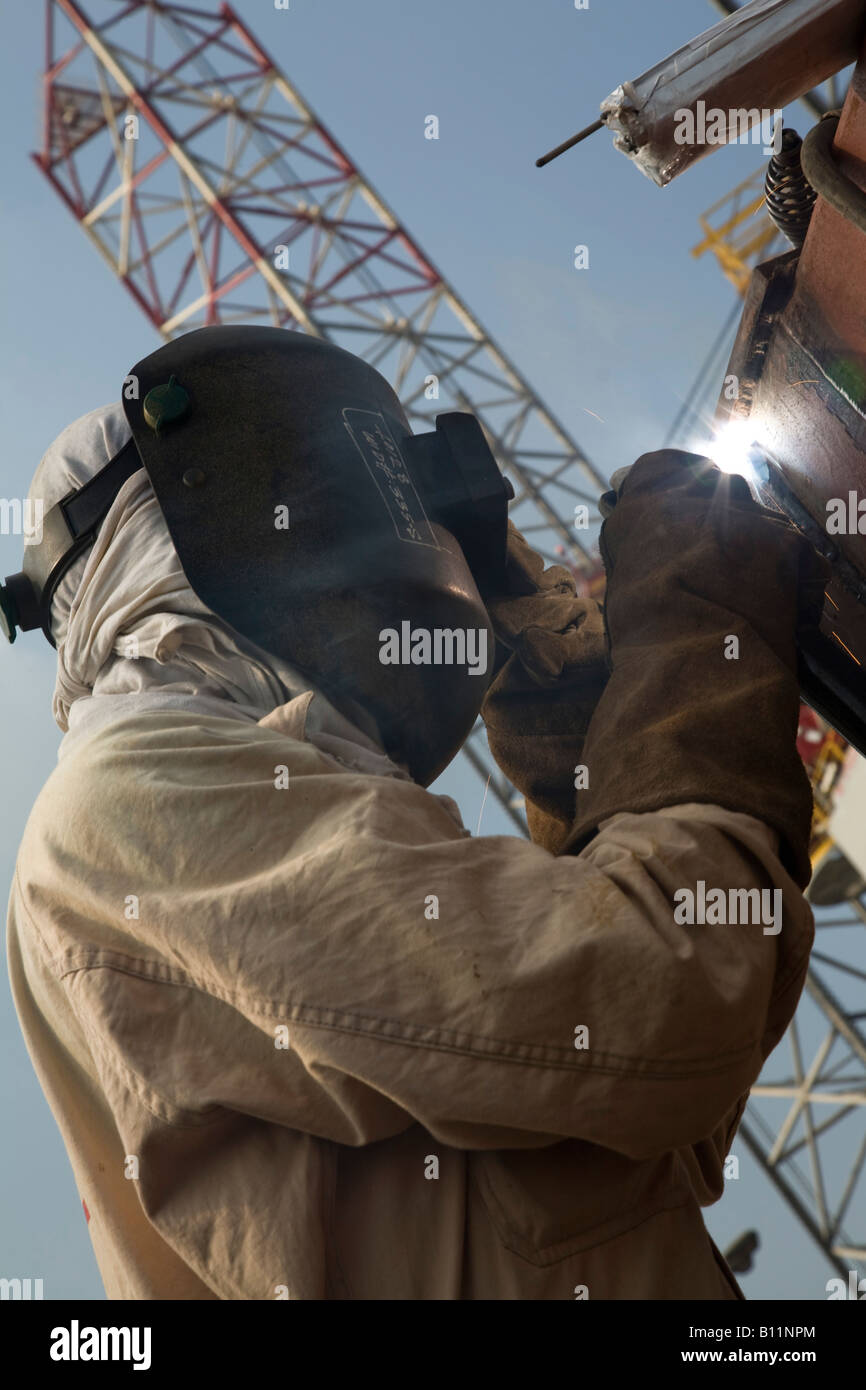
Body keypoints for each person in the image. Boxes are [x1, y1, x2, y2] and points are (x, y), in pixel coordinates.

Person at [5, 331, 828, 1300]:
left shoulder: (254, 783)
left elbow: (643, 1118)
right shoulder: (138, 794)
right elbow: (670, 1011)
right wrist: (698, 649)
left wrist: (582, 761)